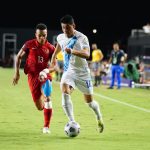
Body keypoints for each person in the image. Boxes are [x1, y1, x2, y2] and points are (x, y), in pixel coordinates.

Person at [50, 15, 104, 133]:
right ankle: (72, 121)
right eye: (63, 28)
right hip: (69, 70)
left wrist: (72, 51)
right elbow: (60, 44)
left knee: (89, 103)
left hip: (83, 73)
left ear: (74, 26)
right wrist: (54, 56)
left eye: (68, 28)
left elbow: (87, 54)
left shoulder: (82, 38)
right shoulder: (61, 36)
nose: (65, 30)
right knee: (64, 90)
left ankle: (99, 117)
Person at [12, 23, 55, 134]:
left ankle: (46, 127)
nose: (42, 38)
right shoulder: (29, 44)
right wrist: (17, 73)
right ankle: (45, 104)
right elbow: (19, 56)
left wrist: (46, 71)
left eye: (44, 35)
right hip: (32, 77)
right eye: (40, 35)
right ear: (35, 34)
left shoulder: (50, 48)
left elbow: (55, 66)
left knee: (48, 98)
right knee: (40, 107)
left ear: (46, 35)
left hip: (44, 75)